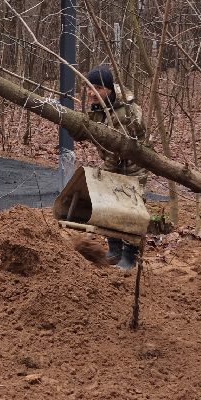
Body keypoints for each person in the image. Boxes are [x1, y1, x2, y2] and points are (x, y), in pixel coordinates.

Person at [84, 65, 148, 269]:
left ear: (109, 89)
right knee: (111, 206)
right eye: (89, 87)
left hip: (132, 167)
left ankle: (129, 257)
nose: (91, 92)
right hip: (114, 164)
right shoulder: (101, 106)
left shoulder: (122, 113)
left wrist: (104, 176)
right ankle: (115, 251)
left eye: (97, 88)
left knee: (130, 211)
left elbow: (117, 149)